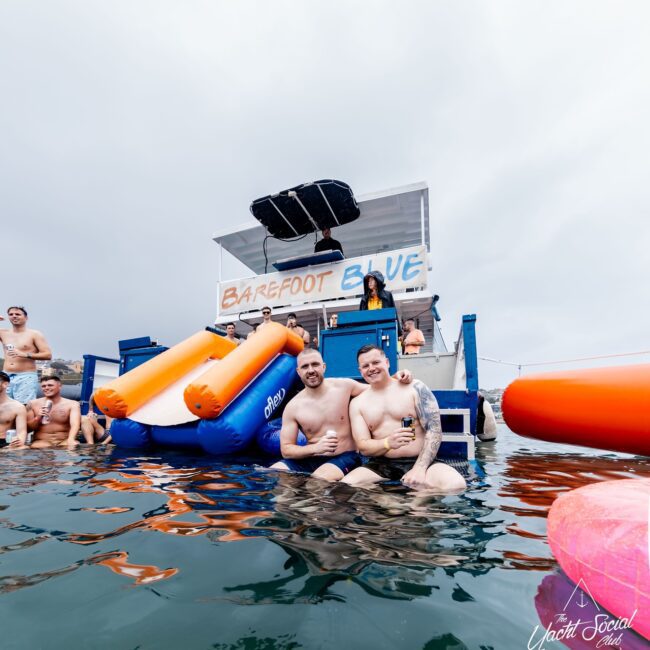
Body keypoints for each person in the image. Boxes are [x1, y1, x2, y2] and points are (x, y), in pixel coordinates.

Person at [270, 348, 413, 481]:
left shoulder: (344, 386)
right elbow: (286, 450)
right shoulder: (293, 407)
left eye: (315, 364)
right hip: (310, 456)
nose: (311, 370)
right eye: (305, 366)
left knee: (318, 480)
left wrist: (396, 377)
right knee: (274, 475)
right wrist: (315, 448)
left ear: (324, 367)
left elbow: (376, 388)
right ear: (298, 371)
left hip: (346, 455)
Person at [342, 345, 466, 492]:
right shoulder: (357, 403)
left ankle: (414, 505)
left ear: (387, 362)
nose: (371, 368)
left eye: (376, 363)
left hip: (421, 460)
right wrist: (387, 443)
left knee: (456, 485)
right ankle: (397, 505)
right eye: (365, 366)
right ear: (360, 371)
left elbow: (434, 430)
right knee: (346, 486)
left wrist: (420, 468)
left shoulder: (415, 388)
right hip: (381, 464)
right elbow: (363, 446)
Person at [0, 306, 52, 404]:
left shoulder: (34, 334)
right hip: (5, 375)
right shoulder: (3, 333)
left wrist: (25, 354)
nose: (14, 316)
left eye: (18, 314)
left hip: (26, 375)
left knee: (24, 407)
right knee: (3, 407)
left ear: (26, 317)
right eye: (11, 314)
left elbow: (48, 355)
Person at [26, 376, 81, 449]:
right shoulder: (32, 404)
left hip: (64, 440)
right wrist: (38, 417)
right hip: (41, 441)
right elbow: (28, 429)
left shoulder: (72, 404)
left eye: (50, 385)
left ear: (60, 386)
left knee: (73, 446)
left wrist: (71, 439)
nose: (46, 388)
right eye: (43, 386)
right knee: (37, 447)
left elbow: (75, 425)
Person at [0, 371, 29, 450]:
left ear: (5, 384)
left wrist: (18, 442)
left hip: (5, 442)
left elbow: (22, 432)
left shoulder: (18, 407)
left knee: (23, 448)